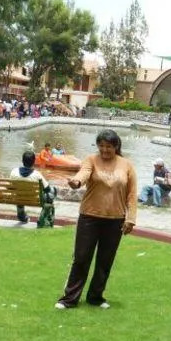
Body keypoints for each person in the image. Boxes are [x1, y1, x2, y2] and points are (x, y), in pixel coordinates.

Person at [56, 130, 137, 310]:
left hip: (115, 219)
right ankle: (69, 299)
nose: (104, 150)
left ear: (116, 146)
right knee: (81, 258)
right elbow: (83, 174)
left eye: (108, 146)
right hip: (89, 217)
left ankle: (95, 297)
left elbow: (132, 194)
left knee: (105, 261)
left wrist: (130, 218)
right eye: (101, 146)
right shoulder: (91, 160)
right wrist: (76, 182)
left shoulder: (127, 165)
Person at [8, 149, 51, 224]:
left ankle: (21, 215)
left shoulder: (14, 171)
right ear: (34, 162)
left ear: (22, 161)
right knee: (51, 194)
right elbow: (47, 189)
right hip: (34, 199)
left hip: (18, 198)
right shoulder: (37, 174)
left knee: (20, 194)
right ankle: (43, 216)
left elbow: (10, 187)